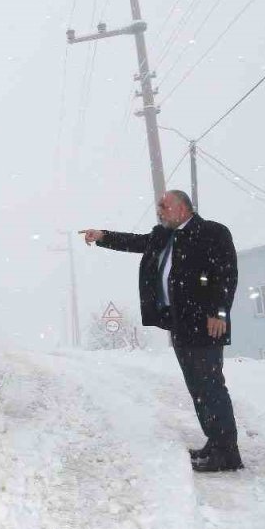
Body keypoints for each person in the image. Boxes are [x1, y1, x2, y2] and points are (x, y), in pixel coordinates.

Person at [79, 190, 243, 473]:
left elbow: (226, 275)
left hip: (205, 323)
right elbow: (135, 242)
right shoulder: (164, 235)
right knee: (198, 388)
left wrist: (219, 312)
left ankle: (227, 453)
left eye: (164, 206)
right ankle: (215, 443)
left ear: (183, 208)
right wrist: (103, 235)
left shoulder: (212, 232)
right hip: (180, 323)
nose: (159, 211)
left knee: (210, 386)